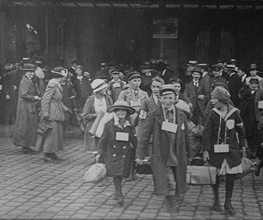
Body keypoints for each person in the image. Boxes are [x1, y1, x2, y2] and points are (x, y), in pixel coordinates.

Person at [136, 84, 190, 218]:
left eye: (170, 98)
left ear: (175, 98)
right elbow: (144, 135)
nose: (167, 101)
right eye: (164, 98)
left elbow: (186, 136)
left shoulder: (181, 114)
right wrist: (140, 154)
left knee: (178, 180)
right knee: (168, 181)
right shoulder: (154, 115)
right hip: (162, 154)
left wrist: (189, 153)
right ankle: (172, 207)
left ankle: (171, 198)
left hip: (178, 153)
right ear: (160, 99)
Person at [202, 86, 246, 216]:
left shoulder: (234, 113)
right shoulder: (213, 113)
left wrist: (242, 145)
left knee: (230, 177)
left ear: (222, 100)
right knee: (215, 175)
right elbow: (207, 133)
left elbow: (241, 131)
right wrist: (205, 150)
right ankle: (216, 200)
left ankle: (228, 202)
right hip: (216, 151)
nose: (212, 101)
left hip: (231, 151)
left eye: (214, 98)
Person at [97, 100, 137, 206]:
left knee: (122, 173)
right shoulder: (109, 124)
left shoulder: (129, 125)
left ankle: (117, 190)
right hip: (112, 152)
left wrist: (138, 153)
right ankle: (119, 193)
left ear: (127, 113)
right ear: (115, 111)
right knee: (117, 173)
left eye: (124, 111)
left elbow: (133, 138)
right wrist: (99, 152)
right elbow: (103, 139)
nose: (121, 112)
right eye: (119, 110)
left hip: (125, 152)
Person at [36, 67, 72, 162]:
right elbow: (45, 99)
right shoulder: (52, 84)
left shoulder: (57, 84)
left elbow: (58, 100)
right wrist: (45, 112)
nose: (64, 78)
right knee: (51, 133)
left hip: (56, 110)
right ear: (59, 76)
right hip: (51, 111)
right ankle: (47, 154)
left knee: (55, 134)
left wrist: (66, 109)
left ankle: (52, 153)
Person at [13, 63, 41, 154]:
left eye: (33, 72)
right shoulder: (25, 81)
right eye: (30, 72)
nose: (32, 73)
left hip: (28, 105)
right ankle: (25, 146)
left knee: (28, 126)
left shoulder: (28, 80)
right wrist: (34, 98)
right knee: (25, 126)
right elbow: (23, 94)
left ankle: (26, 145)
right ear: (25, 72)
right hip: (25, 106)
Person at [239, 77, 263, 158]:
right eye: (252, 84)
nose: (253, 85)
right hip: (247, 115)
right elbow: (241, 100)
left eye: (255, 84)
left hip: (256, 115)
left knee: (255, 133)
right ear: (249, 84)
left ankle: (256, 150)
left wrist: (262, 112)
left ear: (258, 84)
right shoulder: (246, 91)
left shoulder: (260, 91)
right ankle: (250, 149)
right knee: (248, 132)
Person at [81, 79, 113, 153]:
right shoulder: (91, 100)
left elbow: (112, 110)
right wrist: (96, 115)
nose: (106, 89)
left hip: (106, 124)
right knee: (96, 146)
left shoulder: (108, 98)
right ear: (98, 90)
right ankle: (97, 159)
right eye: (104, 88)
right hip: (94, 126)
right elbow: (85, 115)